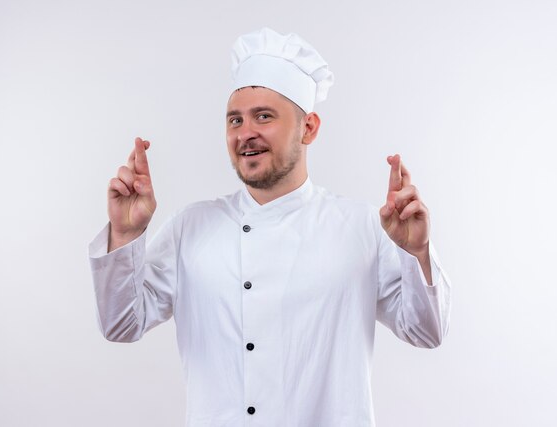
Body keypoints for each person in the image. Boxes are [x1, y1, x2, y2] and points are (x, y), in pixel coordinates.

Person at [89, 28, 451, 427]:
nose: (246, 133)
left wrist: (416, 252)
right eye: (235, 120)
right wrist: (124, 236)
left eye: (264, 116)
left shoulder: (362, 226)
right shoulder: (190, 227)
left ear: (309, 127)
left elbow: (426, 332)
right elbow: (122, 324)